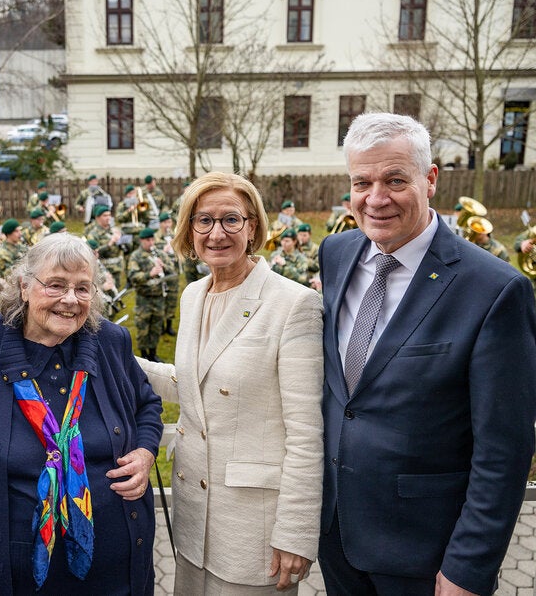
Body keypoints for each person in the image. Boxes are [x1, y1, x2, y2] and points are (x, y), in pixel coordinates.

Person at [317, 113, 536, 595]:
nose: (376, 199)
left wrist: (468, 567)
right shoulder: (335, 253)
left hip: (427, 555)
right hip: (336, 535)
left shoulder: (496, 290)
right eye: (362, 182)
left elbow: (505, 450)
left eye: (395, 180)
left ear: (430, 179)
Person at [0, 233, 163, 595]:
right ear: (25, 287)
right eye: (55, 285)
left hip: (116, 565)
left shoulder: (109, 341)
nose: (70, 300)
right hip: (16, 569)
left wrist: (146, 451)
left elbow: (147, 404)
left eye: (83, 288)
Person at [138, 171, 324, 593]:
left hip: (253, 531)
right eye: (204, 220)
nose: (216, 233)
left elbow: (306, 432)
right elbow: (191, 385)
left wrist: (294, 532)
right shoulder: (193, 295)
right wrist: (112, 351)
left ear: (253, 226)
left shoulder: (293, 304)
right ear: (190, 229)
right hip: (193, 519)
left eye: (231, 220)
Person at [127, 227, 177, 361]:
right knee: (143, 328)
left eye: (152, 239)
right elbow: (133, 276)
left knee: (156, 327)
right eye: (147, 240)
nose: (151, 243)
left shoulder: (159, 254)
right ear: (141, 241)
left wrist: (164, 266)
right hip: (144, 299)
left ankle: (153, 353)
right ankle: (144, 355)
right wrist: (149, 274)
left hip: (159, 298)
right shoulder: (136, 256)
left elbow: (173, 270)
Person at [84, 204, 124, 288]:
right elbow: (93, 253)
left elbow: (127, 249)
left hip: (116, 267)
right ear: (98, 218)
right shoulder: (93, 233)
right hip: (103, 269)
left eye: (109, 215)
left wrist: (122, 240)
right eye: (105, 215)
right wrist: (110, 244)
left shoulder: (114, 230)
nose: (108, 217)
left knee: (116, 292)